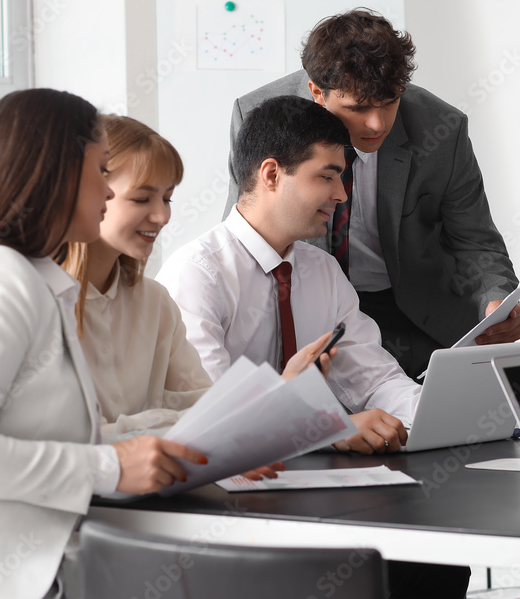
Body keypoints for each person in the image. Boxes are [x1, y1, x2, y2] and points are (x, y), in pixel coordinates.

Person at [0, 89, 206, 599]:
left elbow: (44, 443)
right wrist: (111, 466)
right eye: (100, 169)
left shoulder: (32, 279)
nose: (107, 193)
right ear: (55, 171)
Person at [160, 93, 470, 599]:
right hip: (224, 506)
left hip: (304, 493)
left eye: (341, 177)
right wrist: (333, 429)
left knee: (438, 563)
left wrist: (441, 420)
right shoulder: (197, 275)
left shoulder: (320, 271)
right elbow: (214, 414)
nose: (342, 195)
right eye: (326, 176)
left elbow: (376, 377)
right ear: (272, 174)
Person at [221, 8, 520, 377]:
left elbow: (475, 240)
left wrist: (495, 299)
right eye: (359, 108)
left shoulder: (442, 128)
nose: (377, 124)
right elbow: (245, 232)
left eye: (390, 102)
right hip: (310, 308)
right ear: (317, 91)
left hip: (418, 313)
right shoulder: (258, 116)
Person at [61, 115, 336, 483]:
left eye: (168, 198)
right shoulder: (40, 300)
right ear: (91, 193)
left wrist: (234, 437)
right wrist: (172, 431)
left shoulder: (154, 302)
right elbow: (61, 440)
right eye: (142, 198)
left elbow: (208, 411)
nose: (162, 216)